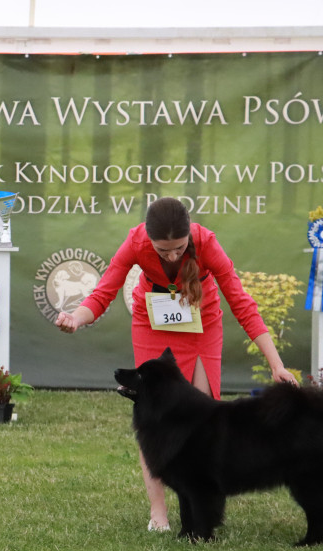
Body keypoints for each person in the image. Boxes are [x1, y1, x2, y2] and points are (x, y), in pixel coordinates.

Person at [55, 197, 297, 532]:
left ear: (189, 237)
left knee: (201, 422)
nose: (171, 256)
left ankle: (201, 508)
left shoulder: (208, 244)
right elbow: (103, 293)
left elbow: (242, 305)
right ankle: (159, 513)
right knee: (153, 418)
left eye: (179, 249)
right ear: (148, 239)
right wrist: (76, 319)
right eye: (162, 250)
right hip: (151, 323)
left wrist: (277, 365)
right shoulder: (135, 242)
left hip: (202, 323)